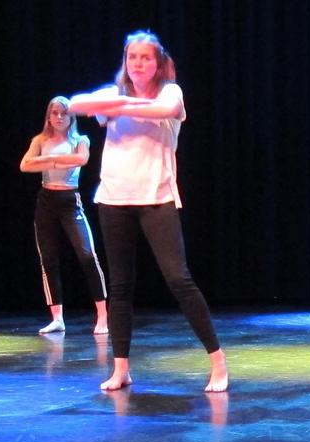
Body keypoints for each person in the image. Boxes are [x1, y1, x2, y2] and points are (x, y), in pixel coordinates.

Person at [69, 30, 228, 393]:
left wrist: (119, 106)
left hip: (156, 197)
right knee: (120, 285)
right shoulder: (113, 92)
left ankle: (218, 360)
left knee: (178, 279)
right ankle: (121, 368)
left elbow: (165, 111)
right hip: (114, 198)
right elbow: (75, 104)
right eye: (132, 57)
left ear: (158, 64)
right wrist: (116, 101)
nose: (138, 64)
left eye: (145, 58)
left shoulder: (170, 92)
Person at [19, 96, 109, 335]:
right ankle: (57, 318)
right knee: (48, 258)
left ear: (71, 117)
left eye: (64, 113)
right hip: (46, 200)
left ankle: (103, 316)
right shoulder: (40, 140)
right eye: (55, 113)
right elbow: (25, 165)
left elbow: (81, 159)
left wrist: (48, 161)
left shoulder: (80, 140)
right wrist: (56, 161)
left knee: (87, 255)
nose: (59, 117)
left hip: (70, 200)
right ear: (49, 116)